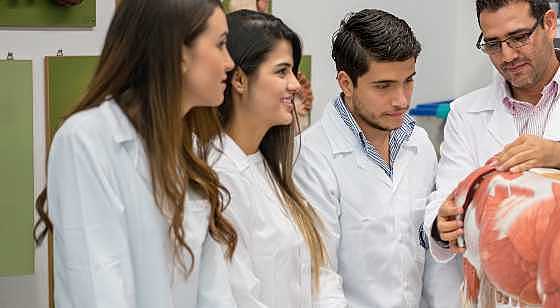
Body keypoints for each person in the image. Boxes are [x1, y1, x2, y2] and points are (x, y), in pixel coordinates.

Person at [31, 0, 237, 307]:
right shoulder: (86, 141)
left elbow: (213, 293)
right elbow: (98, 289)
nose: (230, 62)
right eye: (220, 45)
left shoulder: (190, 151)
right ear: (179, 52)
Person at [428, 0, 560, 266]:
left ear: (550, 24)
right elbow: (449, 194)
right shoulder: (465, 112)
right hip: (500, 285)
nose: (507, 56)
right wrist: (441, 224)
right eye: (493, 44)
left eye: (518, 38)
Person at [293, 9, 458, 308]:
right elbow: (320, 278)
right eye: (384, 86)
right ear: (346, 83)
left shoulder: (418, 144)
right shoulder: (310, 155)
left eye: (408, 81)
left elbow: (434, 263)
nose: (402, 100)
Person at [211, 10, 346, 307]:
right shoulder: (219, 177)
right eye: (281, 71)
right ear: (239, 80)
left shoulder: (273, 167)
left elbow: (318, 270)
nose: (296, 85)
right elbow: (240, 295)